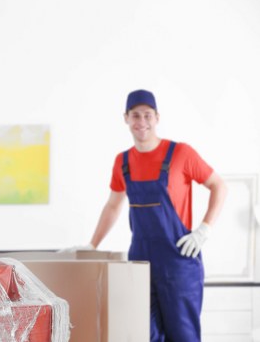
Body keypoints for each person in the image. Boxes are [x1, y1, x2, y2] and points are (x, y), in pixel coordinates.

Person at [88, 89, 226, 341]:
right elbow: (112, 206)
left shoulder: (181, 154)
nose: (142, 122)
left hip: (179, 262)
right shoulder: (123, 162)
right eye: (136, 116)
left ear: (157, 117)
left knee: (183, 336)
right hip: (141, 262)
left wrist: (204, 229)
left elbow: (219, 185)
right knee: (146, 335)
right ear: (126, 118)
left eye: (147, 115)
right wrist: (91, 245)